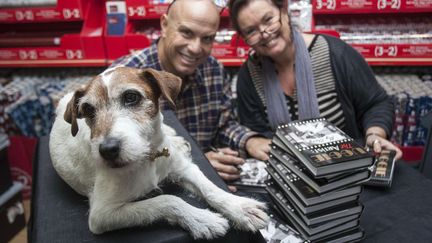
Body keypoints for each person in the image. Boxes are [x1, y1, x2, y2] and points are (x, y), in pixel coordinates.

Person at [111, 0, 266, 191]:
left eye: (207, 38)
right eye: (186, 33)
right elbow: (118, 158)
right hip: (152, 192)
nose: (195, 48)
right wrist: (196, 162)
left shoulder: (214, 70)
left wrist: (249, 141)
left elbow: (223, 125)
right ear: (164, 25)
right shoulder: (124, 80)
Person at [228, 0, 402, 160]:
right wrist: (255, 142)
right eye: (251, 31)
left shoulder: (335, 54)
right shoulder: (249, 77)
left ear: (284, 9)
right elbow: (255, 132)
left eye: (268, 20)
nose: (264, 33)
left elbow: (376, 104)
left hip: (345, 166)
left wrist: (375, 136)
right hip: (290, 175)